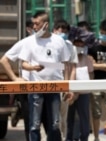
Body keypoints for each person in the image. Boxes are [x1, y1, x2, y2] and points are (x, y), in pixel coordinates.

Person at [18, 11, 72, 141]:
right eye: (33, 24)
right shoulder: (30, 42)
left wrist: (66, 86)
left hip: (54, 88)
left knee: (54, 123)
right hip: (35, 88)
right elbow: (23, 63)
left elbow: (66, 64)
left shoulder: (59, 41)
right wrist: (33, 68)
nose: (34, 27)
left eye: (37, 24)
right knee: (34, 125)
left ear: (46, 24)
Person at [0, 18, 33, 141]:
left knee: (48, 123)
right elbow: (4, 60)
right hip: (29, 88)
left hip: (45, 89)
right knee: (32, 123)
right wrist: (14, 78)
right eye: (32, 26)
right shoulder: (25, 43)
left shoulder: (52, 43)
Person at [66, 28, 94, 141]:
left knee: (84, 117)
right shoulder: (67, 59)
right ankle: (70, 137)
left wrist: (86, 88)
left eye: (80, 43)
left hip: (83, 93)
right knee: (70, 117)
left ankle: (84, 137)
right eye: (76, 42)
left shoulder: (87, 59)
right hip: (69, 92)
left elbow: (91, 75)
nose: (78, 45)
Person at [53, 19, 78, 140]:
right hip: (52, 85)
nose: (62, 32)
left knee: (64, 117)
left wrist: (71, 88)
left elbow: (72, 68)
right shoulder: (49, 45)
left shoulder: (70, 47)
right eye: (59, 29)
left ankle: (63, 138)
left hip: (65, 85)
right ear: (54, 31)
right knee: (54, 118)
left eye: (64, 30)